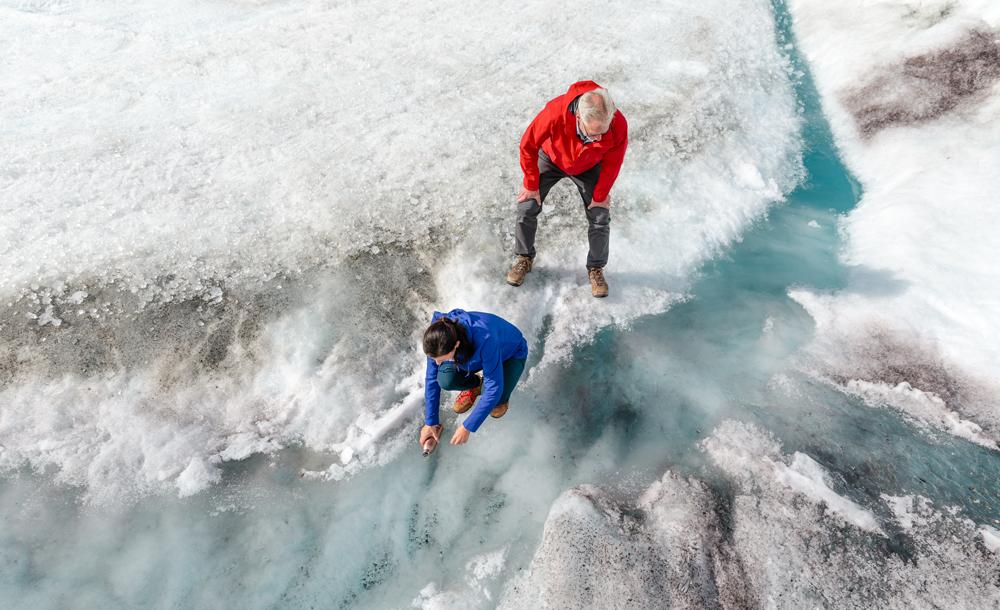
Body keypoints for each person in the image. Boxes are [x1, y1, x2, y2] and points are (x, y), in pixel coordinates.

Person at [508, 80, 629, 298]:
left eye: (603, 132)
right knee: (527, 206)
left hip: (589, 165)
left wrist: (600, 196)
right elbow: (528, 145)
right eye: (594, 134)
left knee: (600, 215)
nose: (599, 138)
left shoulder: (617, 123)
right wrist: (531, 184)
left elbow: (613, 162)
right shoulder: (555, 112)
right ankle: (524, 257)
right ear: (579, 117)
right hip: (552, 158)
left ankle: (596, 268)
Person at [419, 309, 529, 454]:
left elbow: (494, 389)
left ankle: (496, 391)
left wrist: (467, 426)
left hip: (509, 354)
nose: (437, 363)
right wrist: (430, 421)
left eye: (441, 358)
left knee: (496, 398)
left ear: (456, 345)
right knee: (445, 379)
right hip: (472, 355)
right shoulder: (437, 335)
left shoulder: (486, 338)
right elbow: (432, 378)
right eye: (435, 359)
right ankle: (476, 385)